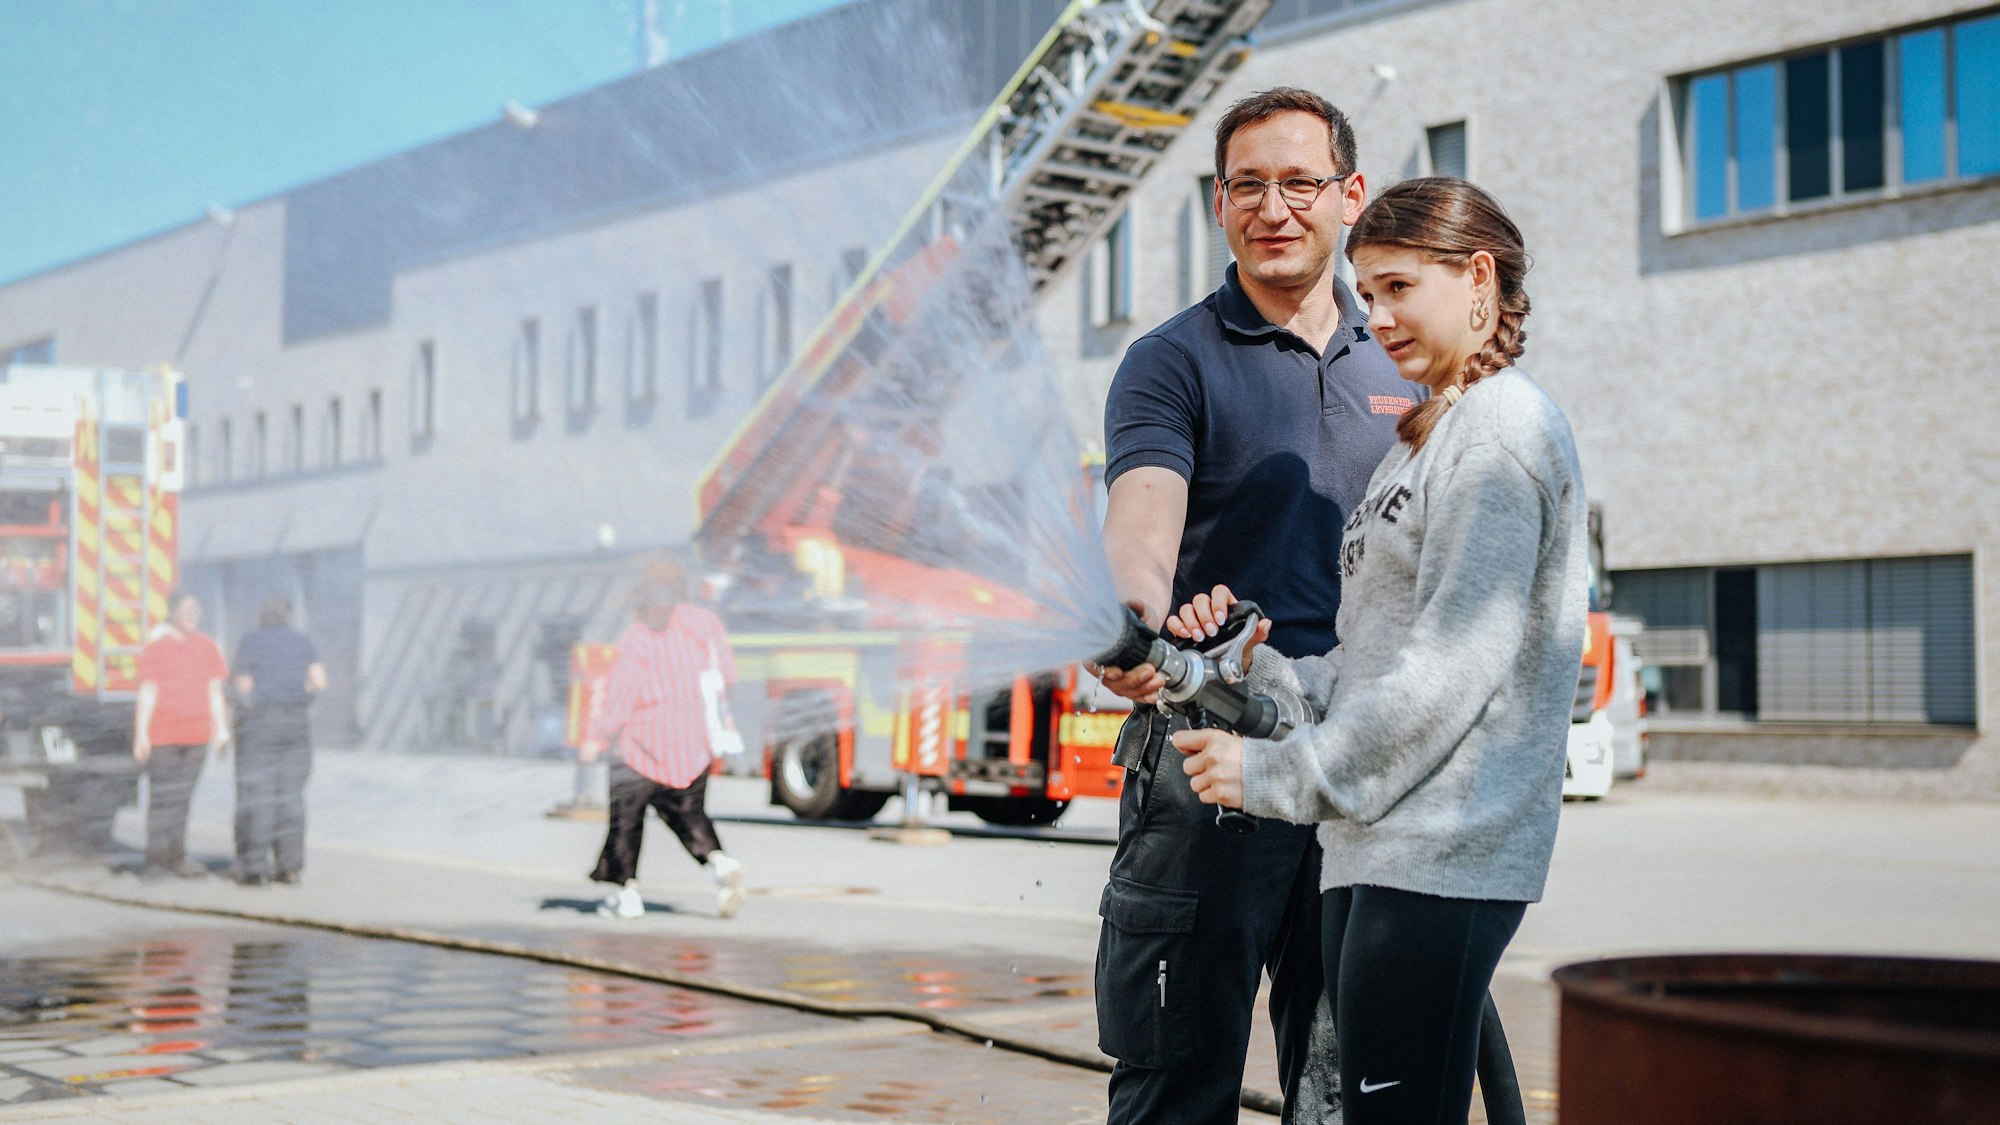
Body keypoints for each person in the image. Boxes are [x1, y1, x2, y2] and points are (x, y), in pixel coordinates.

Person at [1172, 177, 1588, 1125]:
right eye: (1367, 292)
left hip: (1442, 851)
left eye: (1399, 287)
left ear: (1478, 278)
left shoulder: (1501, 432)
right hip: (1370, 850)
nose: (1377, 317)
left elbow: (1447, 675)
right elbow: (1375, 658)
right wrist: (1265, 673)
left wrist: (1274, 774)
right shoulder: (1419, 442)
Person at [1091, 87, 1422, 1124]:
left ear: (1350, 195)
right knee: (1176, 1079)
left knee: (1355, 1088)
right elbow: (1142, 520)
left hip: (1363, 762)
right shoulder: (1171, 360)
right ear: (1219, 203)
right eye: (1247, 186)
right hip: (1209, 760)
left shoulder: (1405, 358)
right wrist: (1133, 621)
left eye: (1299, 183)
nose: (1272, 208)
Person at [580, 560, 746, 920]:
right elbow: (727, 676)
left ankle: (627, 894)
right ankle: (721, 863)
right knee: (688, 812)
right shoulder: (705, 625)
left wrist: (597, 737)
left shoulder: (639, 635)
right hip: (694, 745)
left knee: (626, 818)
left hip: (641, 746)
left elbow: (623, 696)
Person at [133, 590, 231, 878]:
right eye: (187, 610)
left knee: (183, 799)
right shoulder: (157, 649)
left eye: (196, 610)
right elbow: (148, 692)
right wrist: (141, 734)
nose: (192, 616)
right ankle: (155, 860)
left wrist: (222, 729)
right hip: (163, 737)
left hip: (197, 737)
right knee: (162, 799)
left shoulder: (208, 646)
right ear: (172, 613)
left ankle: (177, 858)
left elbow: (215, 692)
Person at [230, 594, 325, 886]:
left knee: (259, 796)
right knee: (291, 797)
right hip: (295, 725)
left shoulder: (251, 641)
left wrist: (251, 703)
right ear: (289, 615)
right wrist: (299, 696)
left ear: (262, 613)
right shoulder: (302, 641)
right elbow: (319, 681)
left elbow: (243, 687)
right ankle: (289, 867)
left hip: (261, 724)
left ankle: (256, 868)